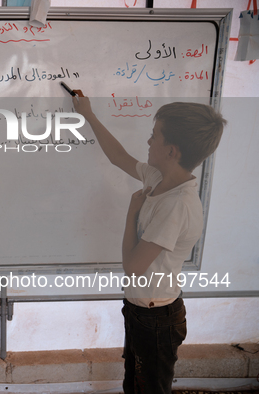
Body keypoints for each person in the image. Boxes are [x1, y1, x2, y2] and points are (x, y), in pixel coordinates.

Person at [73, 93, 226, 394]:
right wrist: (88, 115)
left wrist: (132, 214)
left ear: (171, 150)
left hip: (156, 319)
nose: (147, 141)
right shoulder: (157, 178)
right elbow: (118, 157)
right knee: (135, 385)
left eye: (154, 136)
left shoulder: (176, 205)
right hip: (142, 310)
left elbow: (133, 266)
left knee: (148, 388)